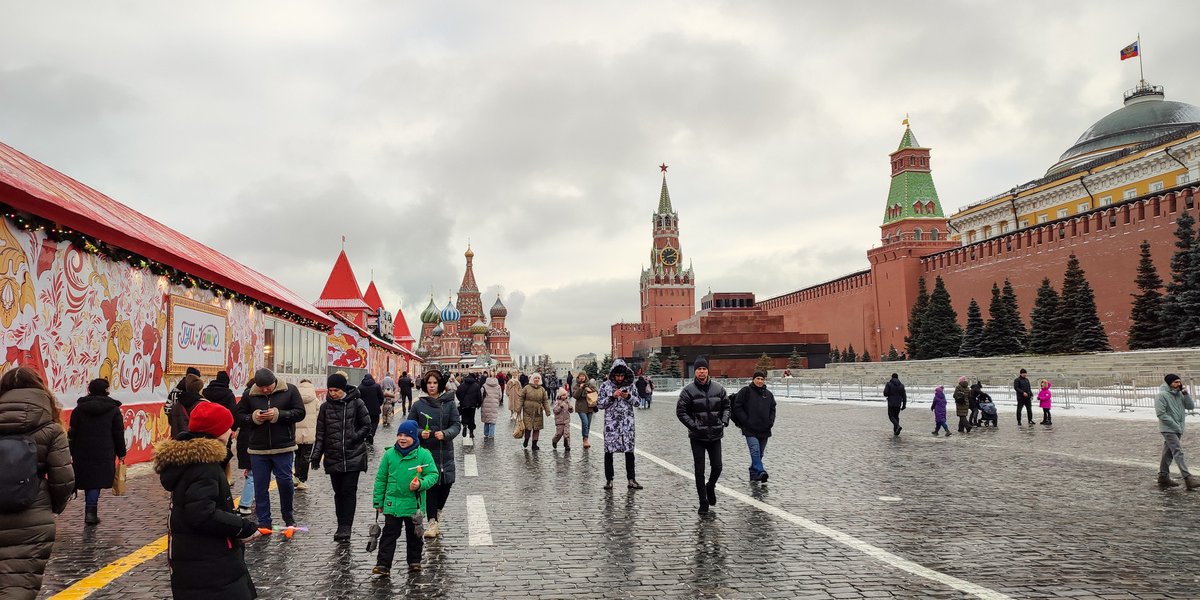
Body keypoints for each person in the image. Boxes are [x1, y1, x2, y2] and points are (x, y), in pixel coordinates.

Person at [153, 401, 259, 598]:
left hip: (199, 561)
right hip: (210, 565)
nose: (232, 432)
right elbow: (202, 514)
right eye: (228, 427)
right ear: (217, 431)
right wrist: (242, 526)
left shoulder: (194, 461)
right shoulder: (205, 467)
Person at [0, 366, 74, 599]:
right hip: (32, 517)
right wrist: (53, 507)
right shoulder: (51, 429)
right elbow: (64, 480)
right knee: (18, 587)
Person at [235, 368, 306, 532]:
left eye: (268, 386)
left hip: (284, 446)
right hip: (258, 449)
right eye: (262, 387)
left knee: (285, 482)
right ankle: (264, 521)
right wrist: (253, 417)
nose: (265, 390)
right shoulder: (249, 394)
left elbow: (300, 413)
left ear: (275, 381)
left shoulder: (290, 390)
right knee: (260, 486)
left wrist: (278, 415)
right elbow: (239, 416)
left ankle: (288, 516)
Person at [309, 373, 371, 542]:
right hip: (334, 455)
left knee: (348, 491)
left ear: (343, 389)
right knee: (338, 493)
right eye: (330, 390)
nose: (333, 393)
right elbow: (320, 433)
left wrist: (354, 437)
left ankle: (346, 527)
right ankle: (340, 524)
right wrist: (316, 456)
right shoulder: (325, 408)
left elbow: (367, 425)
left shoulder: (357, 403)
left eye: (336, 390)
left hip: (354, 455)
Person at [373, 420, 438, 576]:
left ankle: (414, 561)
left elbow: (433, 474)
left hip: (413, 504)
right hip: (392, 503)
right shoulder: (389, 455)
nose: (402, 439)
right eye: (400, 435)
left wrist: (421, 483)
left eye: (406, 436)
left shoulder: (423, 454)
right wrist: (378, 501)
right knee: (389, 535)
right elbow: (381, 478)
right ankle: (383, 565)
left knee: (415, 535)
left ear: (414, 437)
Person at [407, 369, 461, 538]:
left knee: (445, 486)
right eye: (429, 383)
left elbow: (456, 425)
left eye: (435, 383)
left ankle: (437, 514)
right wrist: (419, 432)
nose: (431, 386)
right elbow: (410, 426)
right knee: (430, 487)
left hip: (445, 452)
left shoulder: (450, 403)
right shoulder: (418, 405)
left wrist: (446, 434)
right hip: (426, 453)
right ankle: (432, 523)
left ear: (440, 385)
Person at [68, 378, 127, 526]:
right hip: (104, 451)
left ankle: (89, 511)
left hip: (82, 450)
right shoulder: (113, 410)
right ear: (106, 391)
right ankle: (90, 513)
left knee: (88, 480)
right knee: (95, 482)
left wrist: (69, 451)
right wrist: (121, 452)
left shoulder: (79, 409)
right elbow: (118, 433)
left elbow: (72, 433)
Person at [677, 357, 730, 514]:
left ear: (708, 371)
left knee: (718, 467)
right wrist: (694, 426)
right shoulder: (688, 391)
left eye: (704, 369)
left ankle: (710, 486)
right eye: (699, 369)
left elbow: (726, 406)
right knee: (699, 470)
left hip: (715, 434)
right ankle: (703, 501)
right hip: (697, 437)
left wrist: (724, 421)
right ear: (695, 371)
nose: (702, 372)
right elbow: (681, 412)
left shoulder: (718, 388)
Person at [598, 359, 642, 490]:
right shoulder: (605, 386)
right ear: (613, 375)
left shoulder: (631, 386)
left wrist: (628, 397)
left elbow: (638, 402)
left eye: (621, 376)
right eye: (617, 376)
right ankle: (609, 480)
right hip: (611, 425)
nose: (619, 378)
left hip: (627, 425)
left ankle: (631, 479)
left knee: (629, 452)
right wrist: (612, 397)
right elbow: (599, 404)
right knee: (608, 452)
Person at [731, 371, 776, 483]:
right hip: (749, 429)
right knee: (755, 451)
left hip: (764, 429)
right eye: (758, 379)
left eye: (762, 379)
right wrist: (745, 420)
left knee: (760, 453)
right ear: (753, 379)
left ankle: (753, 471)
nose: (760, 381)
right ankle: (761, 471)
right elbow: (737, 406)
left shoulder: (769, 394)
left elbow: (772, 409)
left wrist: (770, 422)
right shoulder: (746, 391)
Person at [1156, 374, 1198, 489]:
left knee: (1168, 453)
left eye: (1179, 382)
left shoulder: (1179, 394)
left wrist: (1186, 394)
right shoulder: (1161, 395)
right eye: (1175, 382)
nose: (1178, 384)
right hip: (1168, 429)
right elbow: (1161, 414)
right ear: (1169, 383)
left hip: (1178, 428)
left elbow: (1190, 407)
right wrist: (1175, 425)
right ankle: (1188, 478)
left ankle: (1163, 477)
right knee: (1178, 451)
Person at [293, 378, 319, 491]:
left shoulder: (295, 398)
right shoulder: (315, 400)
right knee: (306, 456)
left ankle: (296, 477)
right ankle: (302, 480)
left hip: (296, 432)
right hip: (309, 432)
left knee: (297, 455)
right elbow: (318, 416)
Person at [518, 373, 552, 450]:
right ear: (532, 379)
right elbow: (521, 399)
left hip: (538, 411)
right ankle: (526, 439)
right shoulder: (527, 388)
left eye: (538, 378)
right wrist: (518, 409)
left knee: (537, 428)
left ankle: (534, 444)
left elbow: (545, 401)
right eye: (535, 378)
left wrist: (547, 411)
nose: (536, 379)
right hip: (527, 411)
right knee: (528, 427)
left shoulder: (542, 389)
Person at [167, 374, 205, 438]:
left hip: (177, 443)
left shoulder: (176, 406)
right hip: (196, 443)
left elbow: (170, 420)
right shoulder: (202, 405)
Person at [571, 371, 598, 449]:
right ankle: (585, 439)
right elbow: (575, 396)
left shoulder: (590, 385)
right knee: (585, 422)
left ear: (586, 377)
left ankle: (585, 438)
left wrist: (589, 390)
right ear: (578, 378)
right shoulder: (576, 386)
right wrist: (580, 388)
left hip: (590, 406)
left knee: (588, 424)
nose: (582, 377)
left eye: (583, 376)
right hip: (581, 407)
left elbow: (596, 392)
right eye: (580, 376)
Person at [358, 374, 385, 446]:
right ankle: (371, 433)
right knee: (375, 422)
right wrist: (378, 404)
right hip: (375, 409)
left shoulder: (360, 387)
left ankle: (367, 434)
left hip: (363, 410)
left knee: (364, 423)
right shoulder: (376, 386)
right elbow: (381, 397)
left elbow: (358, 399)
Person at [456, 372, 482, 440]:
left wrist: (461, 400)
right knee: (471, 418)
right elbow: (479, 396)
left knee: (464, 416)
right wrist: (479, 403)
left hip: (464, 405)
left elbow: (457, 393)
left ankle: (464, 425)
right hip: (473, 405)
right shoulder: (476, 385)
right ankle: (471, 432)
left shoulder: (462, 385)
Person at [480, 373, 502, 438]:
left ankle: (486, 433)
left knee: (486, 420)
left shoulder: (484, 385)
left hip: (485, 405)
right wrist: (497, 400)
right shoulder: (498, 386)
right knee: (492, 420)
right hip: (494, 405)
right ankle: (491, 435)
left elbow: (481, 395)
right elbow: (500, 396)